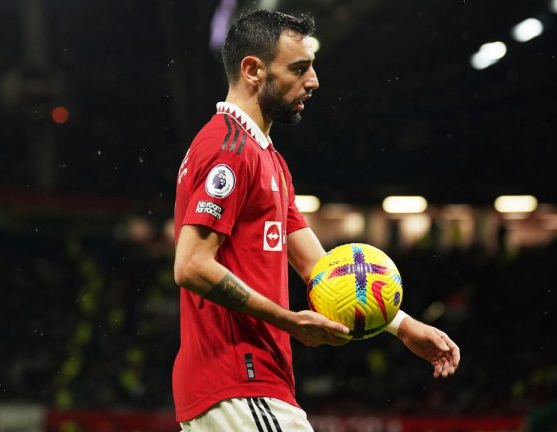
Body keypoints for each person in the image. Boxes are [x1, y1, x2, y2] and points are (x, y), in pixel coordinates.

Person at [173, 9, 460, 431]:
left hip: (252, 382)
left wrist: (402, 326)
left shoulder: (267, 159)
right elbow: (191, 264)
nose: (314, 81)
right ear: (252, 70)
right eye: (299, 68)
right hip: (237, 376)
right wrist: (289, 321)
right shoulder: (228, 149)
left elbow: (320, 269)